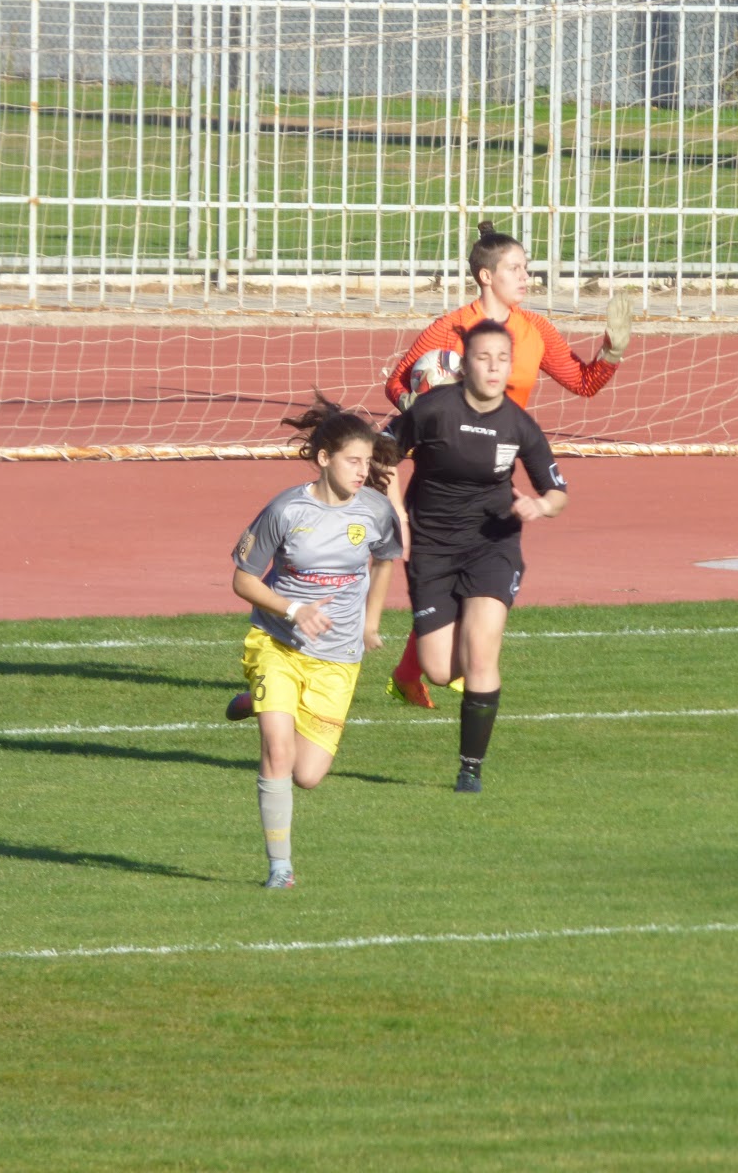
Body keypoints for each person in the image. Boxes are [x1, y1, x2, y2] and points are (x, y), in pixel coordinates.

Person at [382, 220, 630, 707]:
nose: (525, 277)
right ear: (485, 276)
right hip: (443, 470)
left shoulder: (535, 330)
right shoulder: (450, 328)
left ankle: (410, 673)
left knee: (478, 570)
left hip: (496, 465)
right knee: (450, 571)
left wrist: (612, 351)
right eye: (515, 268)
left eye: (526, 268)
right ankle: (415, 666)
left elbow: (583, 383)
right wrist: (423, 402)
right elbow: (397, 383)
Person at [227, 397, 403, 889]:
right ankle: (280, 868)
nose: (362, 471)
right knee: (278, 754)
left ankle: (257, 702)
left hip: (338, 658)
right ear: (324, 458)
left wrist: (370, 623)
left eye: (367, 461)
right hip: (278, 642)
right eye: (353, 460)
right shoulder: (286, 509)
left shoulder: (376, 511)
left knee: (307, 775)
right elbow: (243, 580)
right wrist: (293, 610)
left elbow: (386, 560)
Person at [389, 318, 567, 793]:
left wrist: (540, 505)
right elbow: (383, 455)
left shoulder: (518, 424)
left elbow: (557, 491)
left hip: (493, 544)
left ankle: (470, 769)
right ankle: (435, 656)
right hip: (431, 548)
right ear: (464, 365)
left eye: (502, 359)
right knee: (440, 669)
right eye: (483, 358)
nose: (493, 367)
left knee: (482, 651)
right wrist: (396, 514)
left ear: (510, 367)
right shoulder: (433, 410)